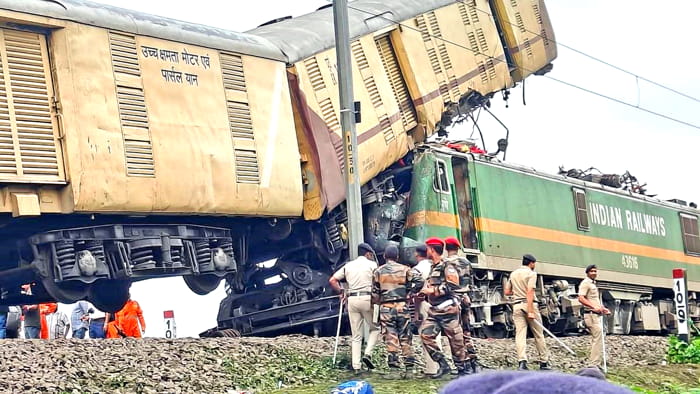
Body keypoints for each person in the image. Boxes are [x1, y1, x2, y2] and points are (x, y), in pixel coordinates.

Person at [419, 237, 467, 378]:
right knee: (426, 335)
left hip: (447, 309)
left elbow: (453, 284)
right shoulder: (433, 267)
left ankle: (462, 371)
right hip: (435, 311)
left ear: (432, 250)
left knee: (456, 342)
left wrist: (433, 291)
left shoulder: (447, 265)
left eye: (427, 249)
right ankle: (443, 364)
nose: (426, 251)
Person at [329, 243, 380, 373]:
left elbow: (332, 280)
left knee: (356, 335)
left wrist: (341, 292)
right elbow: (379, 282)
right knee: (375, 328)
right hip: (368, 299)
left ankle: (356, 366)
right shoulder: (372, 265)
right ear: (368, 254)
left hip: (352, 300)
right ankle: (367, 354)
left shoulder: (348, 266)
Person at [371, 244, 421, 370]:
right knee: (405, 334)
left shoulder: (378, 271)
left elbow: (375, 293)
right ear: (397, 257)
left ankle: (393, 362)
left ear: (384, 256)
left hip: (386, 308)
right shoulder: (405, 269)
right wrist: (409, 291)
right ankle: (408, 361)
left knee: (390, 334)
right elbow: (420, 281)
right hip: (402, 306)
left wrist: (379, 302)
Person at [504, 254, 550, 371]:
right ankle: (544, 362)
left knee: (520, 335)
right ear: (531, 263)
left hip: (517, 306)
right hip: (529, 305)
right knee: (538, 334)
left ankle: (522, 362)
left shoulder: (513, 274)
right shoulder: (531, 273)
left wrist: (518, 293)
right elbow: (530, 291)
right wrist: (530, 310)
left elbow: (507, 291)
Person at [444, 236, 478, 374]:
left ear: (446, 248)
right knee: (466, 331)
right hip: (466, 299)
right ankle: (474, 361)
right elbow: (471, 280)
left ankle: (462, 365)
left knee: (455, 333)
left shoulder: (445, 263)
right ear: (458, 248)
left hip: (454, 301)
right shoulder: (466, 262)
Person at [578, 264, 611, 369]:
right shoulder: (585, 283)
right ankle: (593, 364)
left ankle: (595, 363)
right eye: (592, 271)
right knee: (597, 338)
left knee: (598, 338)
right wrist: (594, 307)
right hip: (591, 315)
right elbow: (581, 298)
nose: (594, 273)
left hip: (596, 314)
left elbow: (593, 300)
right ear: (587, 272)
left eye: (595, 271)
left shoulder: (593, 284)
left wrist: (602, 308)